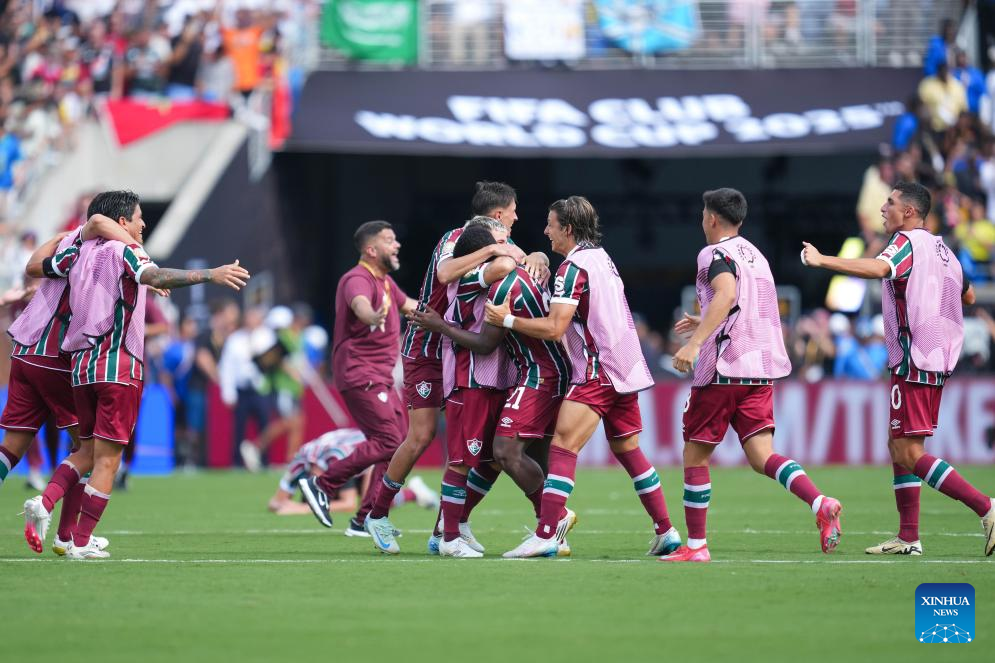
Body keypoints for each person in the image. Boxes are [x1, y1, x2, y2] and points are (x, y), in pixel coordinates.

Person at [21, 190, 250, 559]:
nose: (143, 224)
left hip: (81, 366)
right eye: (139, 217)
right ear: (122, 221)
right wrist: (212, 274)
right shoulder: (125, 249)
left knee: (86, 451)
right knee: (108, 460)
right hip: (118, 365)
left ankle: (44, 503)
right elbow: (153, 272)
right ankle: (81, 541)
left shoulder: (76, 251)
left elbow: (35, 267)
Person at [801, 181, 994, 557]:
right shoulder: (943, 250)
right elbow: (968, 294)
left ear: (909, 211)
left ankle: (986, 507)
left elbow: (879, 268)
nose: (882, 208)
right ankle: (908, 537)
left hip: (914, 358)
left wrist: (824, 260)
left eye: (889, 203)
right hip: (934, 356)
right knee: (899, 445)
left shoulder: (906, 242)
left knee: (908, 452)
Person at [484, 196, 679, 559]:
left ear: (568, 228)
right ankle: (666, 530)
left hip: (597, 369)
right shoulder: (603, 258)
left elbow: (554, 328)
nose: (546, 231)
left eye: (551, 224)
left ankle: (547, 534)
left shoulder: (571, 269)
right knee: (628, 450)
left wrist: (506, 320)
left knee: (563, 445)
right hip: (625, 368)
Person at [359, 182, 545, 553]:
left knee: (485, 450)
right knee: (423, 435)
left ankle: (448, 528)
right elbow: (445, 274)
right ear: (498, 214)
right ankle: (377, 514)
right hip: (428, 346)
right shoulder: (457, 238)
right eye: (513, 211)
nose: (517, 217)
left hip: (462, 349)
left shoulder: (500, 242)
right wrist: (495, 250)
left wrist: (538, 254)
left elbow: (521, 263)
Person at [662, 188, 842, 563]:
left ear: (712, 218)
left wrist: (695, 343)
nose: (701, 220)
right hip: (759, 369)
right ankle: (820, 502)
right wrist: (706, 319)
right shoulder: (755, 254)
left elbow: (727, 294)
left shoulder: (713, 253)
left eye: (703, 214)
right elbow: (741, 305)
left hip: (723, 368)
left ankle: (696, 547)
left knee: (695, 455)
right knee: (762, 456)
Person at [407, 224, 573, 557]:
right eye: (502, 241)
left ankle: (548, 523)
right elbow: (485, 335)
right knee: (481, 459)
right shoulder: (477, 279)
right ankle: (453, 533)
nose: (510, 245)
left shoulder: (506, 280)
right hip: (482, 377)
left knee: (497, 456)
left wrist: (536, 256)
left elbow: (488, 337)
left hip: (521, 376)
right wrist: (525, 255)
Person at [1, 214, 136, 555]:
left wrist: (64, 235)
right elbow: (98, 223)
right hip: (55, 357)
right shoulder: (101, 254)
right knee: (87, 449)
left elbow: (33, 267)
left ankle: (67, 535)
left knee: (11, 448)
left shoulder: (66, 247)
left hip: (24, 352)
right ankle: (68, 535)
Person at [298, 220, 418, 536]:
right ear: (371, 249)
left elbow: (412, 307)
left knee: (400, 446)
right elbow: (360, 304)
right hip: (361, 373)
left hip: (379, 377)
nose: (397, 245)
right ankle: (322, 484)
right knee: (390, 442)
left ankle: (366, 518)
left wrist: (453, 320)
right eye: (390, 240)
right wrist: (370, 315)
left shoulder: (386, 283)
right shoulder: (357, 279)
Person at [268, 427, 437, 516]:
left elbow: (349, 505)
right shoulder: (300, 462)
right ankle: (414, 493)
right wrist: (282, 505)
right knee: (369, 500)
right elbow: (275, 502)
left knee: (370, 505)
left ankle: (412, 493)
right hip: (353, 446)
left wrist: (303, 508)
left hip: (372, 451)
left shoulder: (337, 461)